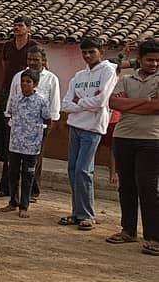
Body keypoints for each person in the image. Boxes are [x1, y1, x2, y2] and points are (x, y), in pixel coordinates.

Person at [59, 38, 118, 231]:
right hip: (75, 126)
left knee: (83, 170)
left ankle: (87, 215)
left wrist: (79, 102)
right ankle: (77, 213)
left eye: (91, 52)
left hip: (92, 128)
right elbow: (65, 104)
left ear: (100, 51)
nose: (87, 56)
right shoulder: (79, 76)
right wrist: (86, 103)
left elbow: (101, 101)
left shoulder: (108, 71)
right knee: (73, 170)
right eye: (84, 52)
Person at [107, 39, 159, 256]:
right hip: (124, 137)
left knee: (147, 186)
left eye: (157, 61)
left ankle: (153, 236)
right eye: (150, 60)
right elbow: (114, 103)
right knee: (126, 185)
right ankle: (128, 230)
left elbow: (158, 106)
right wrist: (146, 103)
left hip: (152, 139)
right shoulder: (127, 79)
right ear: (140, 60)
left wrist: (131, 104)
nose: (154, 64)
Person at [0, 45, 61, 201]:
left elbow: (54, 104)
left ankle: (31, 192)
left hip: (38, 128)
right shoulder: (18, 76)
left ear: (43, 60)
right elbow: (12, 97)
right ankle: (7, 189)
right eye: (29, 59)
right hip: (17, 126)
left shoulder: (51, 79)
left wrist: (49, 124)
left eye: (36, 59)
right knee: (11, 159)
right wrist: (8, 118)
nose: (32, 62)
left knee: (34, 161)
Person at [0, 69, 52, 218]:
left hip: (32, 145)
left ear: (35, 84)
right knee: (13, 173)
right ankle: (13, 202)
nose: (24, 84)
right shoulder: (15, 99)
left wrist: (40, 137)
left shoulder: (41, 101)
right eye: (23, 81)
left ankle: (24, 205)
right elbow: (9, 115)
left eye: (28, 82)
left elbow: (48, 120)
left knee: (28, 176)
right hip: (15, 143)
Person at [0, 16, 37, 163]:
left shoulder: (33, 45)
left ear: (28, 28)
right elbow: (4, 63)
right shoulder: (8, 45)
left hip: (26, 90)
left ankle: (15, 153)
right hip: (8, 86)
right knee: (2, 118)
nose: (17, 28)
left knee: (20, 121)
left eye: (20, 26)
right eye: (15, 25)